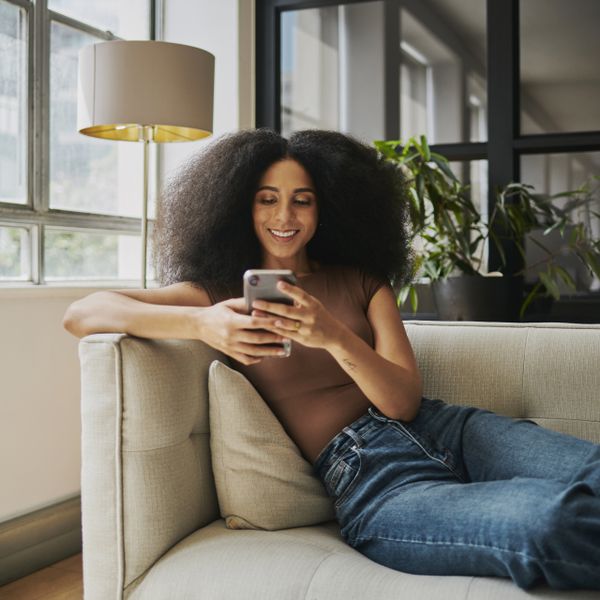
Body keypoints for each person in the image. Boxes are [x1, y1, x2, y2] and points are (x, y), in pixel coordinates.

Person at [63, 128, 600, 590]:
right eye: (266, 199)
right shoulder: (218, 292)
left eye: (303, 199)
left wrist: (334, 335)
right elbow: (84, 313)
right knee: (551, 521)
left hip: (452, 430)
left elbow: (403, 403)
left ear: (326, 206)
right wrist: (202, 322)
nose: (285, 216)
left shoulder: (365, 282)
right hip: (375, 481)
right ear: (239, 206)